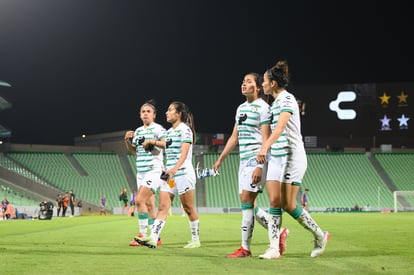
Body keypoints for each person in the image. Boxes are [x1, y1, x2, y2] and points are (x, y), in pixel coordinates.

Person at [256, 60, 330, 258]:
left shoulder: (287, 100)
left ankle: (320, 235)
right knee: (273, 201)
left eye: (264, 81)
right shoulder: (273, 104)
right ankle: (273, 248)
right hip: (277, 157)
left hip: (292, 157)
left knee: (288, 204)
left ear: (272, 83)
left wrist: (264, 146)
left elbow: (280, 128)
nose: (262, 84)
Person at [212, 72, 288, 258]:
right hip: (242, 160)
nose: (244, 84)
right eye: (243, 81)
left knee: (246, 201)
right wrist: (221, 158)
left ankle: (245, 248)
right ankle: (278, 232)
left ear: (258, 87)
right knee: (248, 203)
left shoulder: (263, 108)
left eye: (249, 81)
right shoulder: (240, 108)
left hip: (256, 159)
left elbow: (266, 138)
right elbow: (234, 137)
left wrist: (260, 166)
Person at [136, 101, 200, 249]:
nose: (167, 113)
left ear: (178, 114)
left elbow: (184, 154)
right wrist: (152, 141)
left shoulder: (185, 130)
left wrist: (174, 169)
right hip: (169, 176)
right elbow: (165, 144)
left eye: (170, 110)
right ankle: (153, 237)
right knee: (163, 206)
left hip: (182, 173)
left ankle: (195, 239)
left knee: (188, 208)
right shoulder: (170, 132)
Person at [125, 100, 166, 247]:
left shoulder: (158, 129)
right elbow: (134, 152)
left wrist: (152, 142)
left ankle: (142, 235)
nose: (145, 114)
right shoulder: (138, 131)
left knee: (139, 200)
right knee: (148, 205)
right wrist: (127, 141)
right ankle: (156, 237)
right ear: (140, 115)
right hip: (141, 172)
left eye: (148, 111)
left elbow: (167, 142)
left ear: (154, 115)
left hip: (154, 170)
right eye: (143, 111)